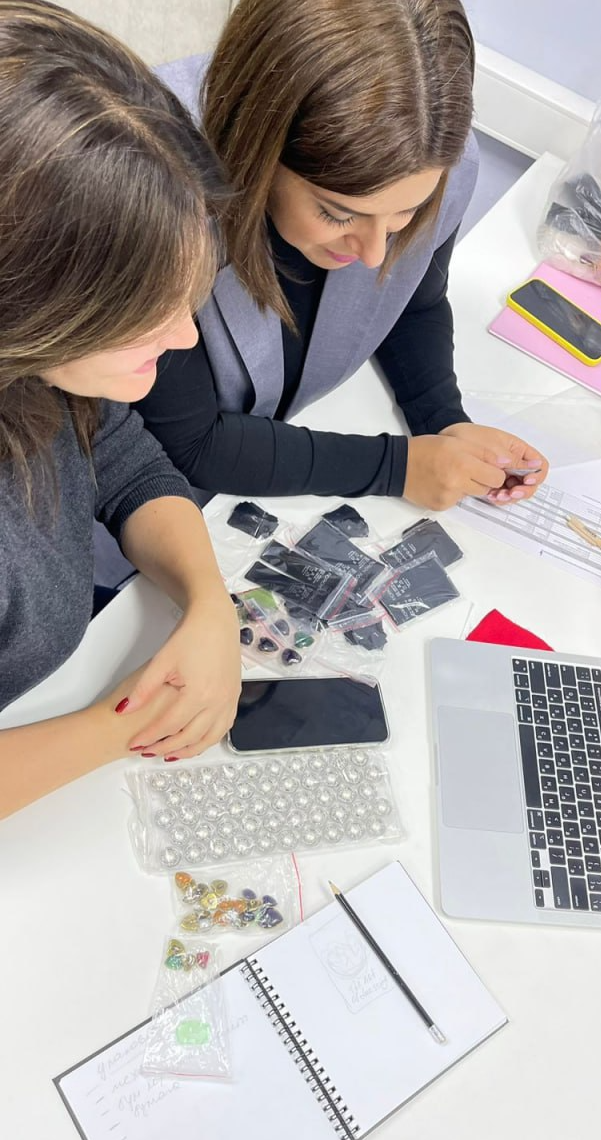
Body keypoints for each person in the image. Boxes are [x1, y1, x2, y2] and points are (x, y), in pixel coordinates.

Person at [141, 0, 550, 511]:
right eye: (338, 214)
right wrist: (400, 468)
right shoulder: (149, 189)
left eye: (405, 214)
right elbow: (192, 442)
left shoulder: (437, 158)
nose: (375, 254)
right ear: (259, 150)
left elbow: (413, 301)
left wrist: (444, 421)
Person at [0, 1, 243, 819]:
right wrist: (127, 723)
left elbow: (124, 457)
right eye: (147, 311)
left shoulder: (39, 372)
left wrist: (208, 601)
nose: (185, 336)